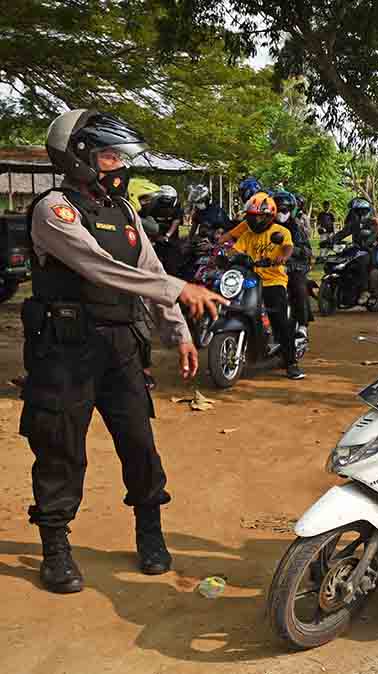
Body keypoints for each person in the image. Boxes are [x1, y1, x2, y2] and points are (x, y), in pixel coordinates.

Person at [21, 109, 226, 594]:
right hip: (65, 351)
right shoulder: (54, 210)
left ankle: (150, 535)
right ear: (78, 159)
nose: (121, 167)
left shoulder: (126, 212)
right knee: (59, 448)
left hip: (121, 349)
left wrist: (178, 332)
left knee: (139, 443)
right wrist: (180, 289)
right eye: (111, 157)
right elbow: (100, 267)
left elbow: (148, 272)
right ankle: (56, 549)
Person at [231, 192, 304, 380]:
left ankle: (291, 362)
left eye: (258, 217)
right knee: (232, 306)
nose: (254, 221)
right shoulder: (246, 235)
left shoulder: (280, 232)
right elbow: (235, 251)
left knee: (279, 319)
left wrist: (282, 257)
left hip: (273, 280)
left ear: (269, 216)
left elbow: (287, 247)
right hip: (250, 279)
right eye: (251, 217)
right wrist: (227, 257)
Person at [272, 190, 313, 330]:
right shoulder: (264, 226)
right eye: (278, 209)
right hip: (267, 268)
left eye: (285, 209)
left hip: (292, 267)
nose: (281, 213)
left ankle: (302, 326)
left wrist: (290, 251)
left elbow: (307, 251)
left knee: (299, 287)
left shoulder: (296, 228)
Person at [331, 197, 378, 300]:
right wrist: (331, 240)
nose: (358, 214)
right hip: (355, 249)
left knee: (361, 263)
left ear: (366, 211)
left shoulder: (372, 223)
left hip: (368, 251)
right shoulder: (354, 224)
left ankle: (365, 291)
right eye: (356, 211)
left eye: (361, 211)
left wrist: (367, 243)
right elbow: (344, 232)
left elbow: (374, 236)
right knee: (340, 260)